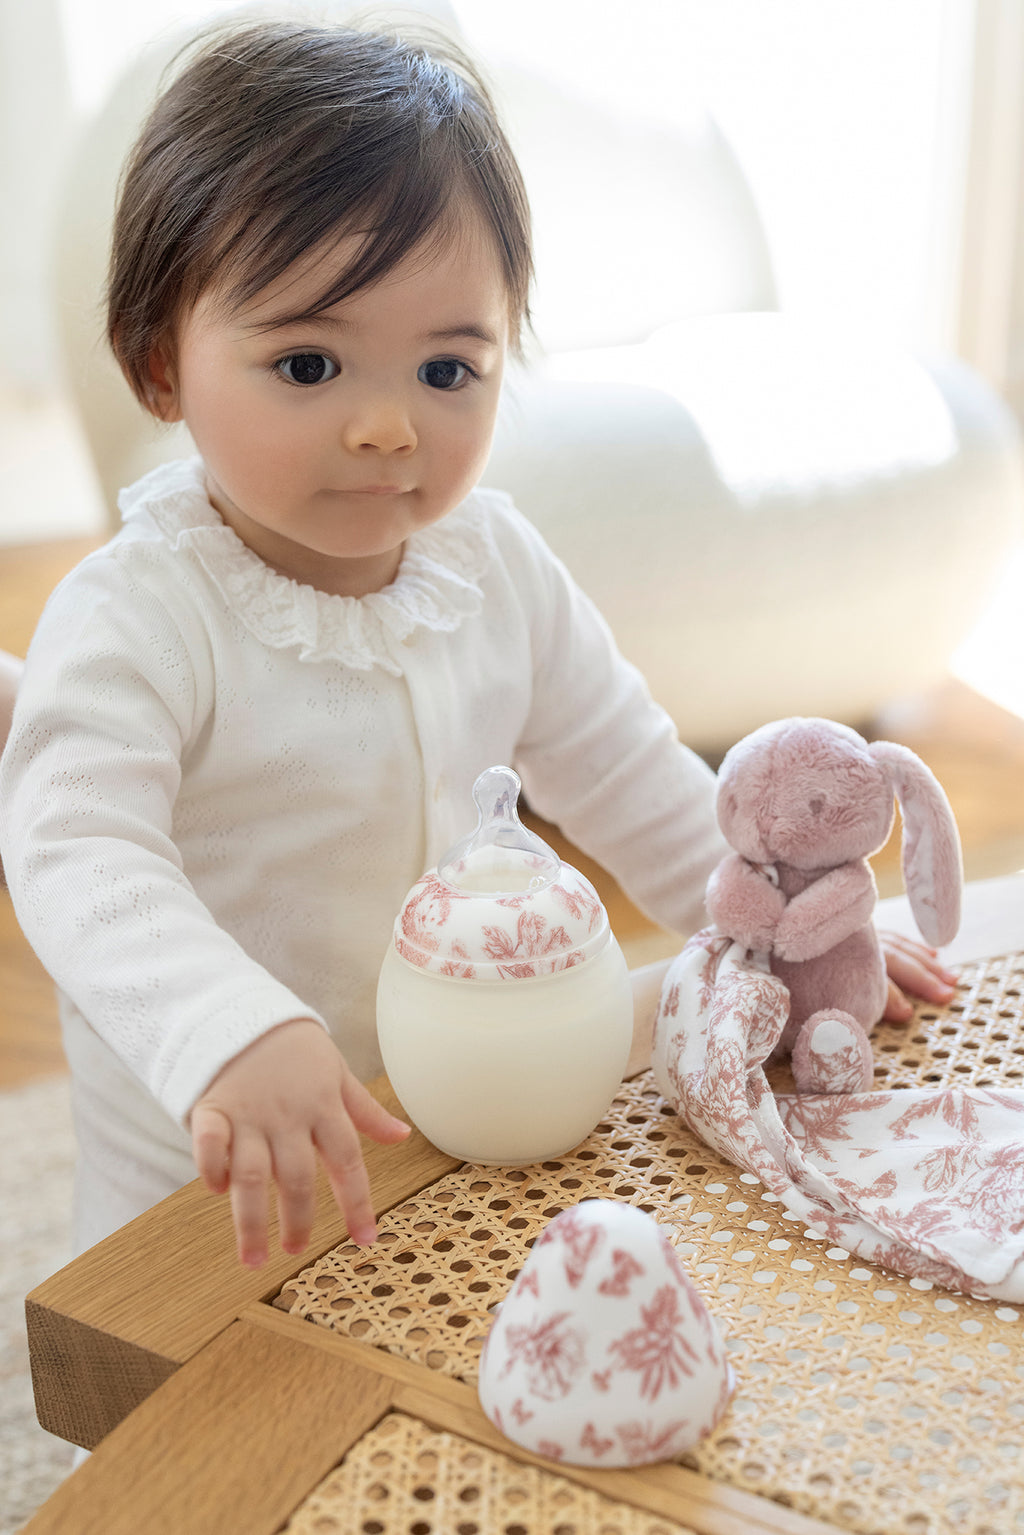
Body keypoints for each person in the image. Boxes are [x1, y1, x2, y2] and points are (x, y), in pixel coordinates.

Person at [0, 19, 955, 1269]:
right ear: (157, 363)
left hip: (465, 1113)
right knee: (215, 1408)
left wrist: (772, 931)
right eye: (308, 362)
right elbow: (77, 852)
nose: (389, 426)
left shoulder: (491, 565)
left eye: (449, 371)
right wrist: (225, 1033)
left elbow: (626, 768)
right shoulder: (139, 613)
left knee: (463, 1354)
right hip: (221, 1155)